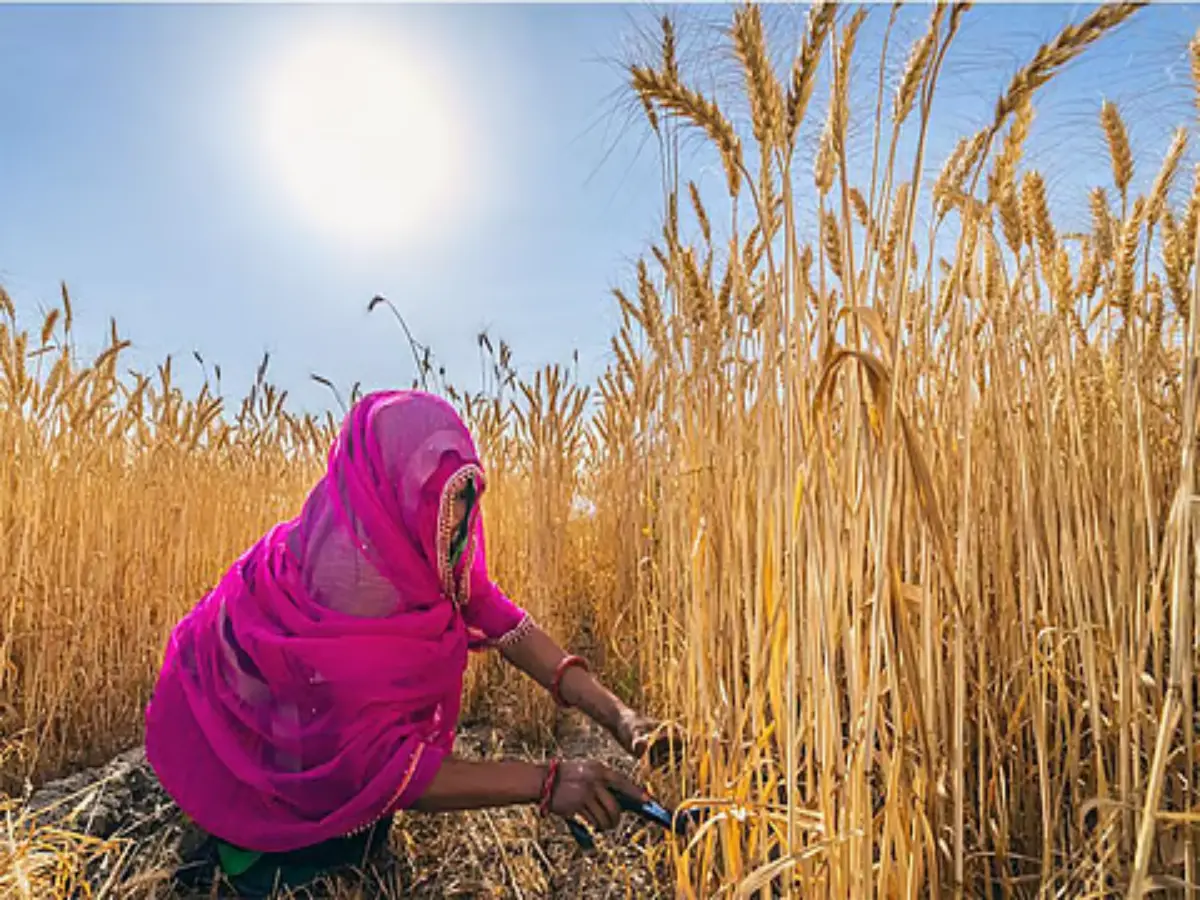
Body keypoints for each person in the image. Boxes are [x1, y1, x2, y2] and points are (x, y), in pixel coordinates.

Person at [144, 389, 671, 896]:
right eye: (442, 498)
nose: (458, 519)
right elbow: (379, 765)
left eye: (464, 498)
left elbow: (504, 621)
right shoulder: (345, 585)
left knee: (364, 838)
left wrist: (620, 717)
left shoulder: (426, 546)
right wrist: (547, 782)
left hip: (334, 767)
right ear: (389, 491)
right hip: (269, 794)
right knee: (304, 868)